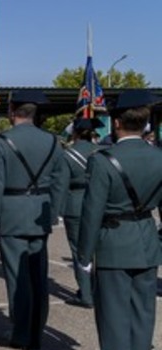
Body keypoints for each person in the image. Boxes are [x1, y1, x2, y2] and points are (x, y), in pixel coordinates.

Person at [77, 90, 162, 350]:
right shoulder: (159, 156)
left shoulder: (103, 160)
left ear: (114, 122)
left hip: (113, 243)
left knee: (114, 318)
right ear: (146, 122)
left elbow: (92, 212)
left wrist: (84, 255)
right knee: (143, 318)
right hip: (146, 241)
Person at [0, 89, 69, 350]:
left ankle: (21, 333)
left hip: (12, 213)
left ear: (12, 112)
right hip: (39, 212)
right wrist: (53, 212)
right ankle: (36, 330)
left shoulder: (1, 142)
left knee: (17, 276)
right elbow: (61, 179)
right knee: (38, 275)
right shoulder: (53, 141)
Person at [61, 117, 102, 308]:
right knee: (98, 251)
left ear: (75, 133)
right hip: (100, 203)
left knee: (79, 250)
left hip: (75, 204)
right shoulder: (102, 152)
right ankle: (98, 290)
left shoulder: (68, 155)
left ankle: (86, 294)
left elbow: (61, 184)